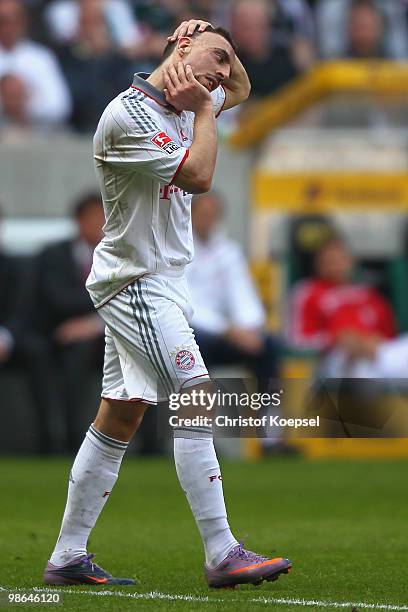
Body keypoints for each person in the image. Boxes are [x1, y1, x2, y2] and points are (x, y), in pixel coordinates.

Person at [44, 19, 291, 589]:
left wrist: (212, 74)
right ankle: (222, 551)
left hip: (162, 281)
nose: (224, 73)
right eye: (218, 57)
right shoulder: (128, 114)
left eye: (228, 62)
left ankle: (66, 556)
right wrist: (207, 111)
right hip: (135, 281)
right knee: (196, 394)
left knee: (121, 412)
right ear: (182, 48)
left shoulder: (185, 102)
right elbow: (201, 176)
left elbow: (245, 91)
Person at [33, 193, 106, 452]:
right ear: (79, 221)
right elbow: (57, 299)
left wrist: (94, 324)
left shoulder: (120, 256)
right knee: (73, 353)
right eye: (95, 217)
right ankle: (69, 438)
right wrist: (102, 299)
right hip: (62, 335)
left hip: (109, 333)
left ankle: (152, 446)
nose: (101, 223)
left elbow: (131, 299)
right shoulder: (53, 254)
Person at [186, 191, 281, 382]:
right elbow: (186, 303)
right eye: (202, 214)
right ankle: (198, 408)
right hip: (194, 330)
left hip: (227, 333)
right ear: (190, 214)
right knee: (196, 348)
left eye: (212, 215)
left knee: (270, 345)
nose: (207, 219)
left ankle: (267, 409)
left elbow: (242, 292)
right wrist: (226, 329)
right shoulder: (178, 250)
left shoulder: (229, 251)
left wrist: (250, 327)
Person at [287, 236, 397, 378]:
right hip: (331, 360)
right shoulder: (307, 292)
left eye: (341, 260)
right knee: (359, 365)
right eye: (330, 262)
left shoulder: (369, 295)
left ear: (351, 261)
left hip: (377, 356)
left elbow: (390, 339)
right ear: (317, 264)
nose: (336, 266)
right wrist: (335, 340)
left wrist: (366, 342)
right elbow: (296, 341)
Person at [0, 0, 71, 126]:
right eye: (2, 21)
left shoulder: (41, 58)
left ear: (22, 22)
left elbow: (59, 106)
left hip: (36, 135)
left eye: (12, 21)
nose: (7, 27)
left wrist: (24, 103)